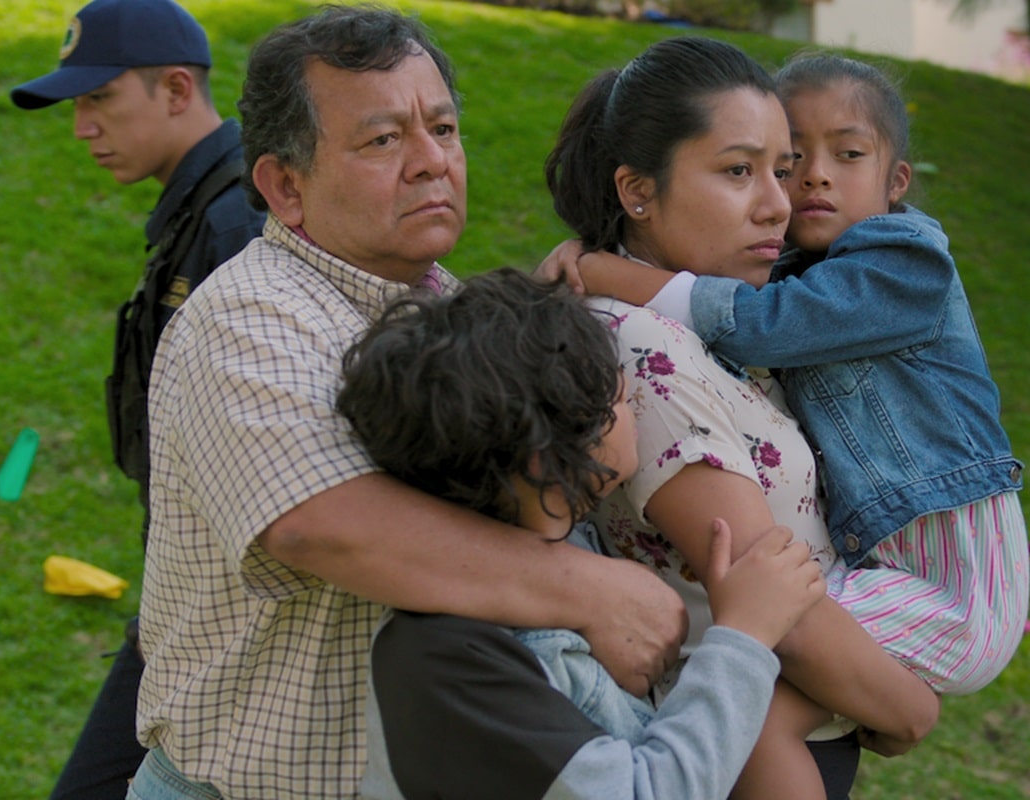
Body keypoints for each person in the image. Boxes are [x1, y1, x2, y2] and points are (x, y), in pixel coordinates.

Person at [125, 6, 686, 798]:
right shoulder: (249, 312)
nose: (432, 162)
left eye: (444, 130)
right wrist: (588, 589)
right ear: (286, 185)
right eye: (383, 140)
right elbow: (317, 523)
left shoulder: (440, 306)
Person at [541, 49, 1030, 798]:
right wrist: (904, 709)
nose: (790, 196)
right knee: (766, 723)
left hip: (930, 587)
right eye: (748, 170)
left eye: (784, 168)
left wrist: (602, 267)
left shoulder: (891, 261)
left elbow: (759, 327)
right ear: (636, 191)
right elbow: (770, 596)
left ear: (897, 180)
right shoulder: (646, 343)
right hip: (783, 675)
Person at [336, 267, 825, 799]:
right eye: (617, 398)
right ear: (546, 462)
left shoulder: (558, 552)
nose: (633, 410)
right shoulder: (450, 660)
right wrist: (745, 637)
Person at [10, 1, 265, 797]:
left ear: (177, 88)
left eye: (99, 100)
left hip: (227, 612)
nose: (83, 125)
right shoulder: (204, 208)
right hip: (187, 593)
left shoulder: (239, 221)